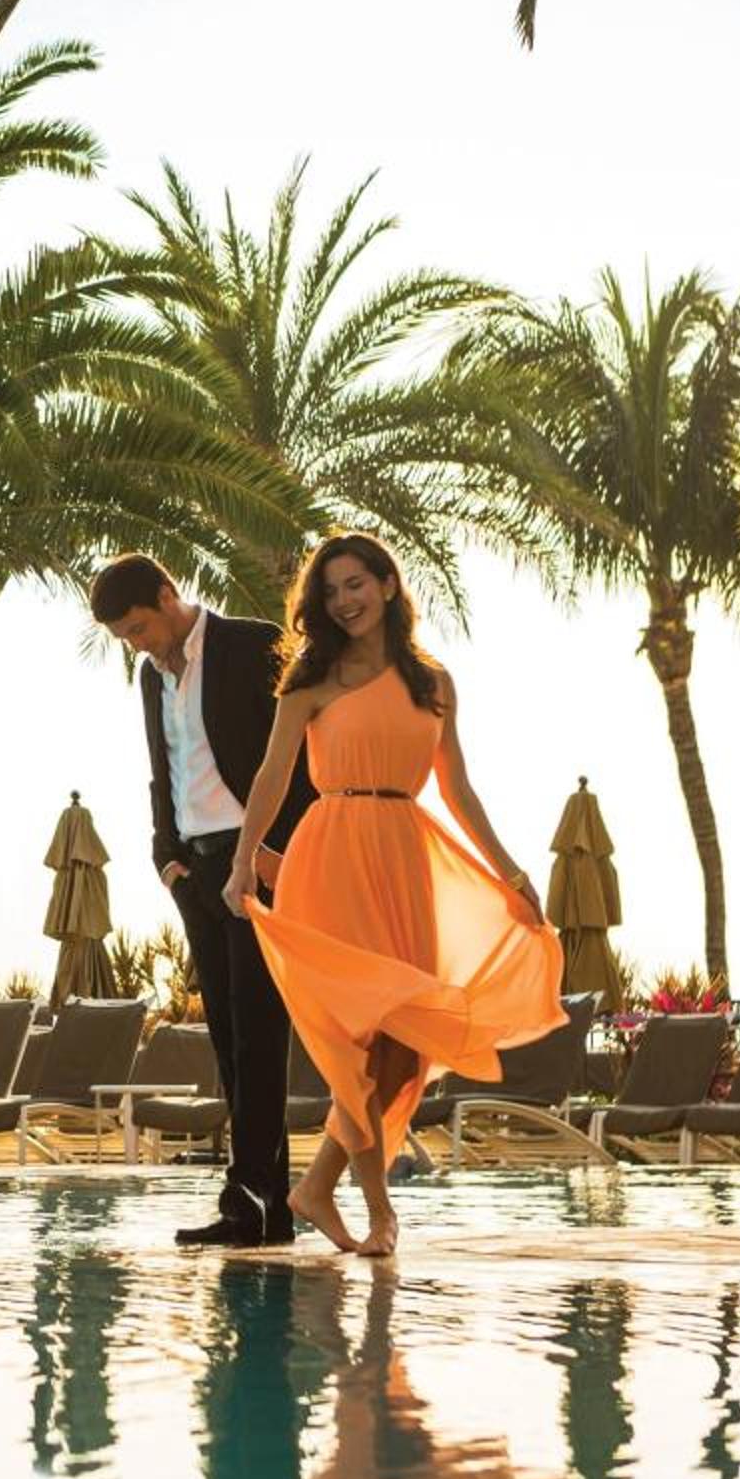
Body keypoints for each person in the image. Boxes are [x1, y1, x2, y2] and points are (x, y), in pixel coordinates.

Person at [223, 533, 561, 1257]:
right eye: (330, 591)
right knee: (362, 1042)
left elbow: (457, 787)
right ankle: (379, 1212)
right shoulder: (311, 680)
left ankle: (317, 1187)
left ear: (386, 584)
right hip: (333, 853)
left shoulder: (433, 682)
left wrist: (509, 872)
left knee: (403, 1050)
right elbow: (272, 776)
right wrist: (244, 859)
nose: (344, 601)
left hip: (405, 857)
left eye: (355, 585)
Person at [91, 553, 319, 1248]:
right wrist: (167, 861)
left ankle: (246, 1201)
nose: (137, 644)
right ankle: (267, 1209)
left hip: (256, 865)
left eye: (138, 627)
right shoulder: (148, 676)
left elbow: (299, 759)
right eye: (125, 637)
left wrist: (277, 853)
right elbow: (162, 768)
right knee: (228, 1040)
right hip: (195, 871)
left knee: (258, 1035)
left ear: (168, 595)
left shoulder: (252, 645)